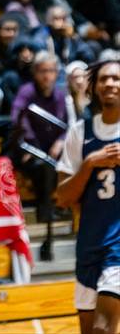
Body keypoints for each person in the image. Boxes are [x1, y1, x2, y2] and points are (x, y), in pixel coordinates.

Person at [57, 59, 120, 334]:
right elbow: (62, 197)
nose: (110, 84)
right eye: (104, 78)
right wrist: (89, 164)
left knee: (103, 329)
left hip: (118, 246)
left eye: (117, 78)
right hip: (88, 244)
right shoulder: (79, 133)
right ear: (94, 87)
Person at [10, 52, 68, 260]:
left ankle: (61, 208)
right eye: (43, 71)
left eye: (51, 71)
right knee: (44, 166)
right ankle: (47, 211)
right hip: (29, 151)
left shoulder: (60, 94)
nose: (47, 76)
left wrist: (61, 141)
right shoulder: (27, 92)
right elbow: (18, 118)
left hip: (53, 151)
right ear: (36, 73)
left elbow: (67, 125)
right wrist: (32, 145)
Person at [65, 61, 91, 126]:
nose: (79, 81)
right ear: (69, 81)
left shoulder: (95, 99)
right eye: (75, 77)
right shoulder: (67, 102)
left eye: (83, 76)